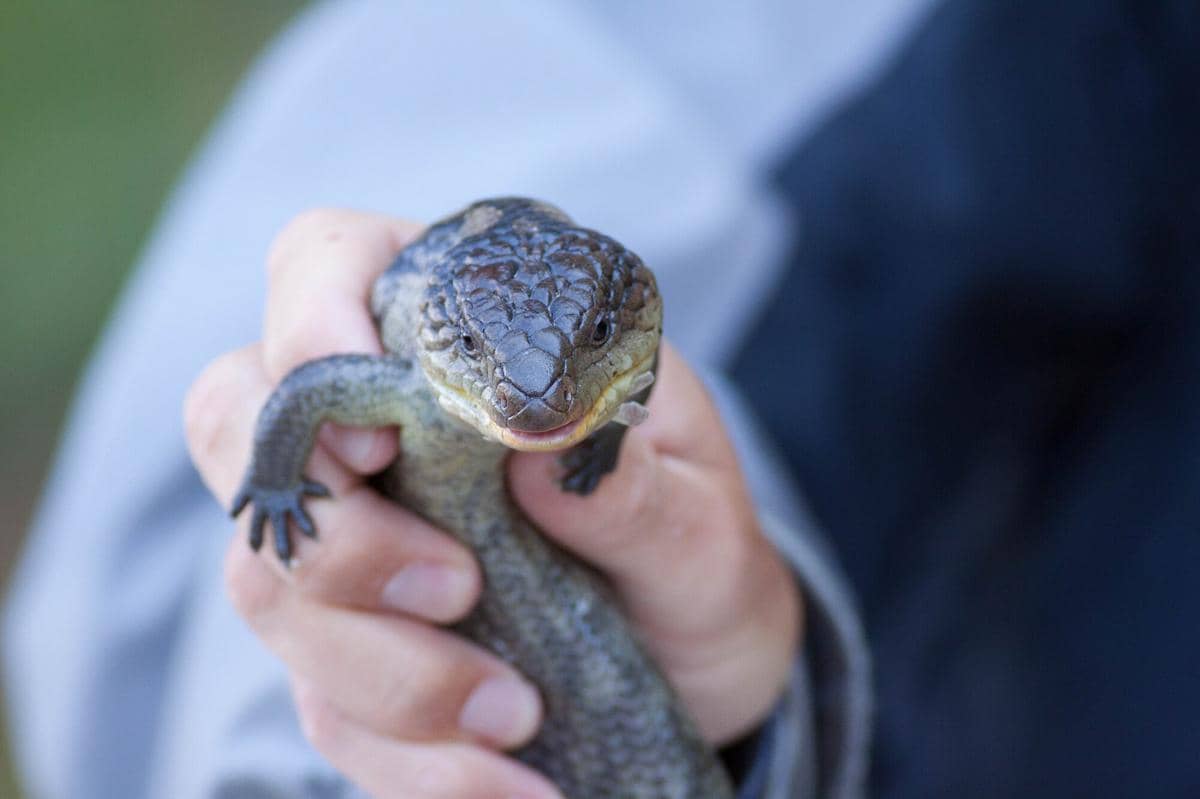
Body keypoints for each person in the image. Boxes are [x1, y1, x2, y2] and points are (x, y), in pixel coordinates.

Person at [4, 2, 889, 797]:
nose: (537, 402)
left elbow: (632, 356)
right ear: (449, 343)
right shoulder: (420, 372)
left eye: (588, 364)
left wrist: (610, 439)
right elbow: (307, 392)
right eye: (485, 363)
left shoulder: (610, 323)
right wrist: (277, 488)